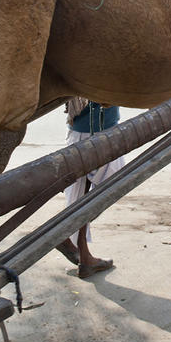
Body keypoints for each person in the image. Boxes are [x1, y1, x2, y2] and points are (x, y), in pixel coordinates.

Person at [55, 98, 124, 278]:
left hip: (84, 132)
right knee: (114, 186)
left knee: (81, 197)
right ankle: (67, 232)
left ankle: (84, 257)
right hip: (96, 133)